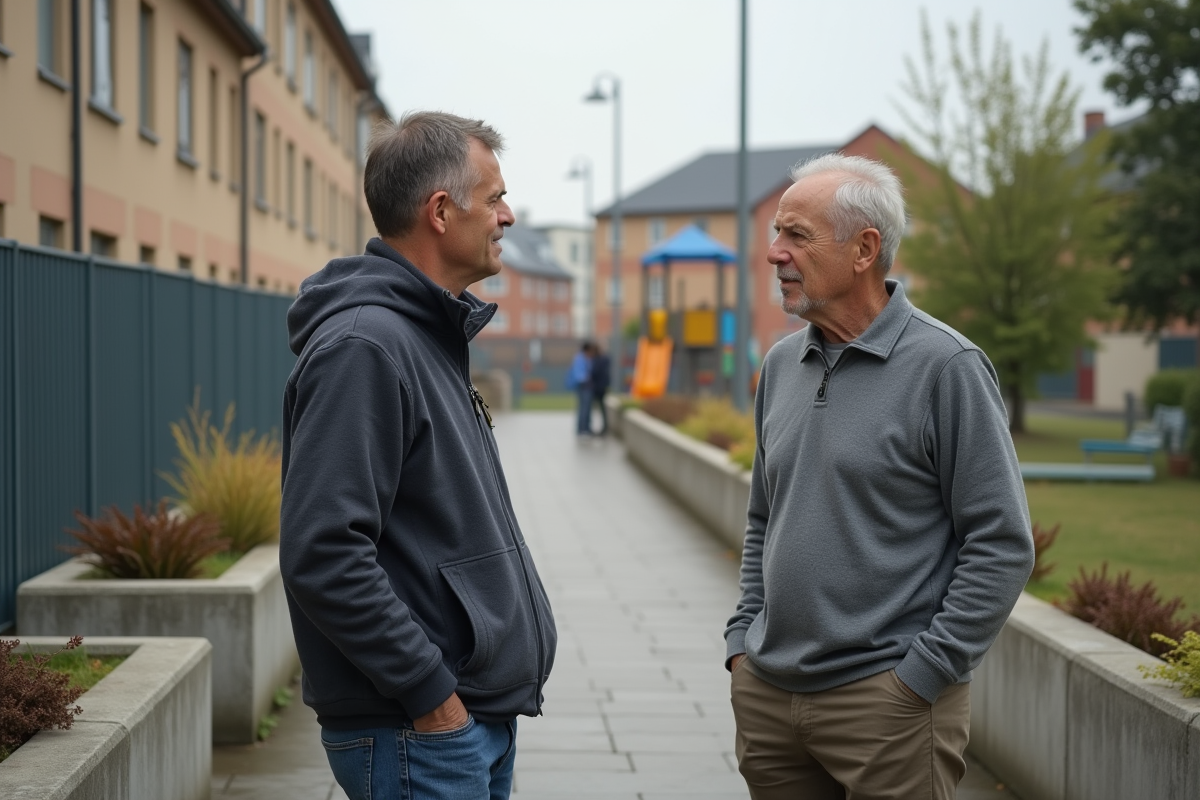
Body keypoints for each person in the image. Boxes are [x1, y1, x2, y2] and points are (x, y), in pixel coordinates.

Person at [725, 153, 1034, 800]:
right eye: (776, 234)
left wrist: (923, 675)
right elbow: (763, 517)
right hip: (769, 695)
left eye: (796, 236)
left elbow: (1001, 543)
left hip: (887, 704)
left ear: (865, 249)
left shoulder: (946, 367)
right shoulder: (782, 364)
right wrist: (742, 643)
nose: (774, 253)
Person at [280, 111, 557, 800]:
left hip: (460, 723)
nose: (508, 215)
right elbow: (323, 551)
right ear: (441, 211)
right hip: (419, 731)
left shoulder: (423, 333)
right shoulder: (365, 346)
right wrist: (432, 696)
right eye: (494, 198)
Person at [569, 341, 593, 436]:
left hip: (584, 386)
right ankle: (582, 429)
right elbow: (579, 375)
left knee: (584, 408)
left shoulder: (582, 358)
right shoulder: (581, 358)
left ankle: (584, 428)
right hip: (584, 386)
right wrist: (587, 379)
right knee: (584, 408)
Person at [589, 344, 612, 435]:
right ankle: (604, 427)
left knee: (594, 408)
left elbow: (595, 372)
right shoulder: (605, 359)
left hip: (598, 387)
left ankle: (600, 428)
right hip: (603, 387)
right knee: (602, 409)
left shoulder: (597, 360)